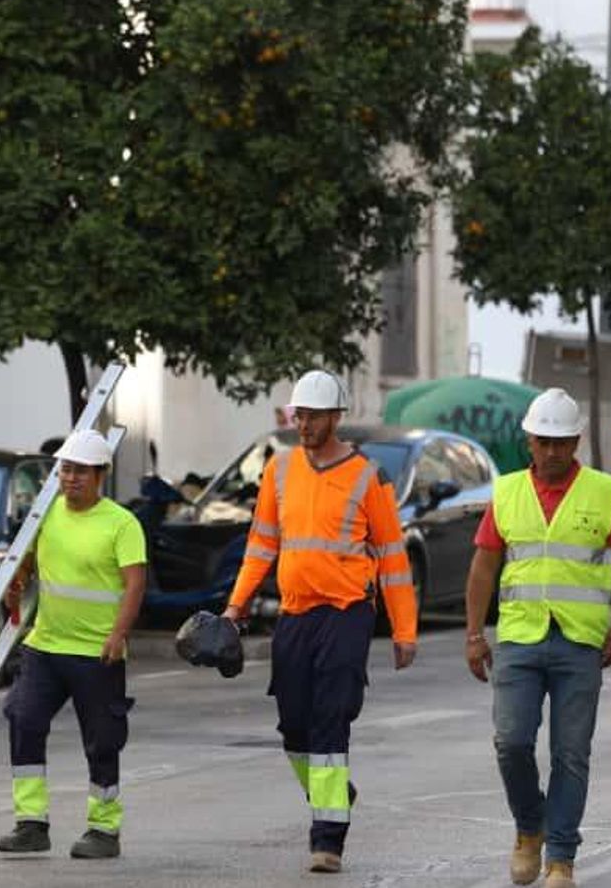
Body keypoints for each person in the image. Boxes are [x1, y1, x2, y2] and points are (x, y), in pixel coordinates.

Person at [222, 369, 418, 875]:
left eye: (312, 416)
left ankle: (327, 837)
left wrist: (404, 630)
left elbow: (393, 557)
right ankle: (334, 793)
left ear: (335, 417)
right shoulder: (279, 470)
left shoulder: (368, 476)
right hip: (295, 613)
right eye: (299, 416)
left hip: (346, 612)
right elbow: (261, 544)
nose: (304, 425)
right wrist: (235, 607)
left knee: (331, 719)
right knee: (293, 724)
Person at [463, 388, 611, 888]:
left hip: (581, 643)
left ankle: (561, 858)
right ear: (529, 441)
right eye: (543, 442)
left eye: (560, 443)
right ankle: (530, 827)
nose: (551, 452)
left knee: (571, 753)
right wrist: (474, 634)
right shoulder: (507, 492)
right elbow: (483, 566)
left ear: (576, 443)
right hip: (519, 638)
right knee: (511, 742)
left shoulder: (602, 492)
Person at [0, 429, 148, 860]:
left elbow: (135, 584)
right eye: (65, 470)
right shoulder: (46, 514)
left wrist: (118, 635)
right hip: (45, 646)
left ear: (100, 475)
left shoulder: (121, 523)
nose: (71, 478)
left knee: (102, 741)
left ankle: (103, 828)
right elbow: (26, 560)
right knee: (23, 719)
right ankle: (31, 823)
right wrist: (16, 582)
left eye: (81, 471)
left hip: (97, 653)